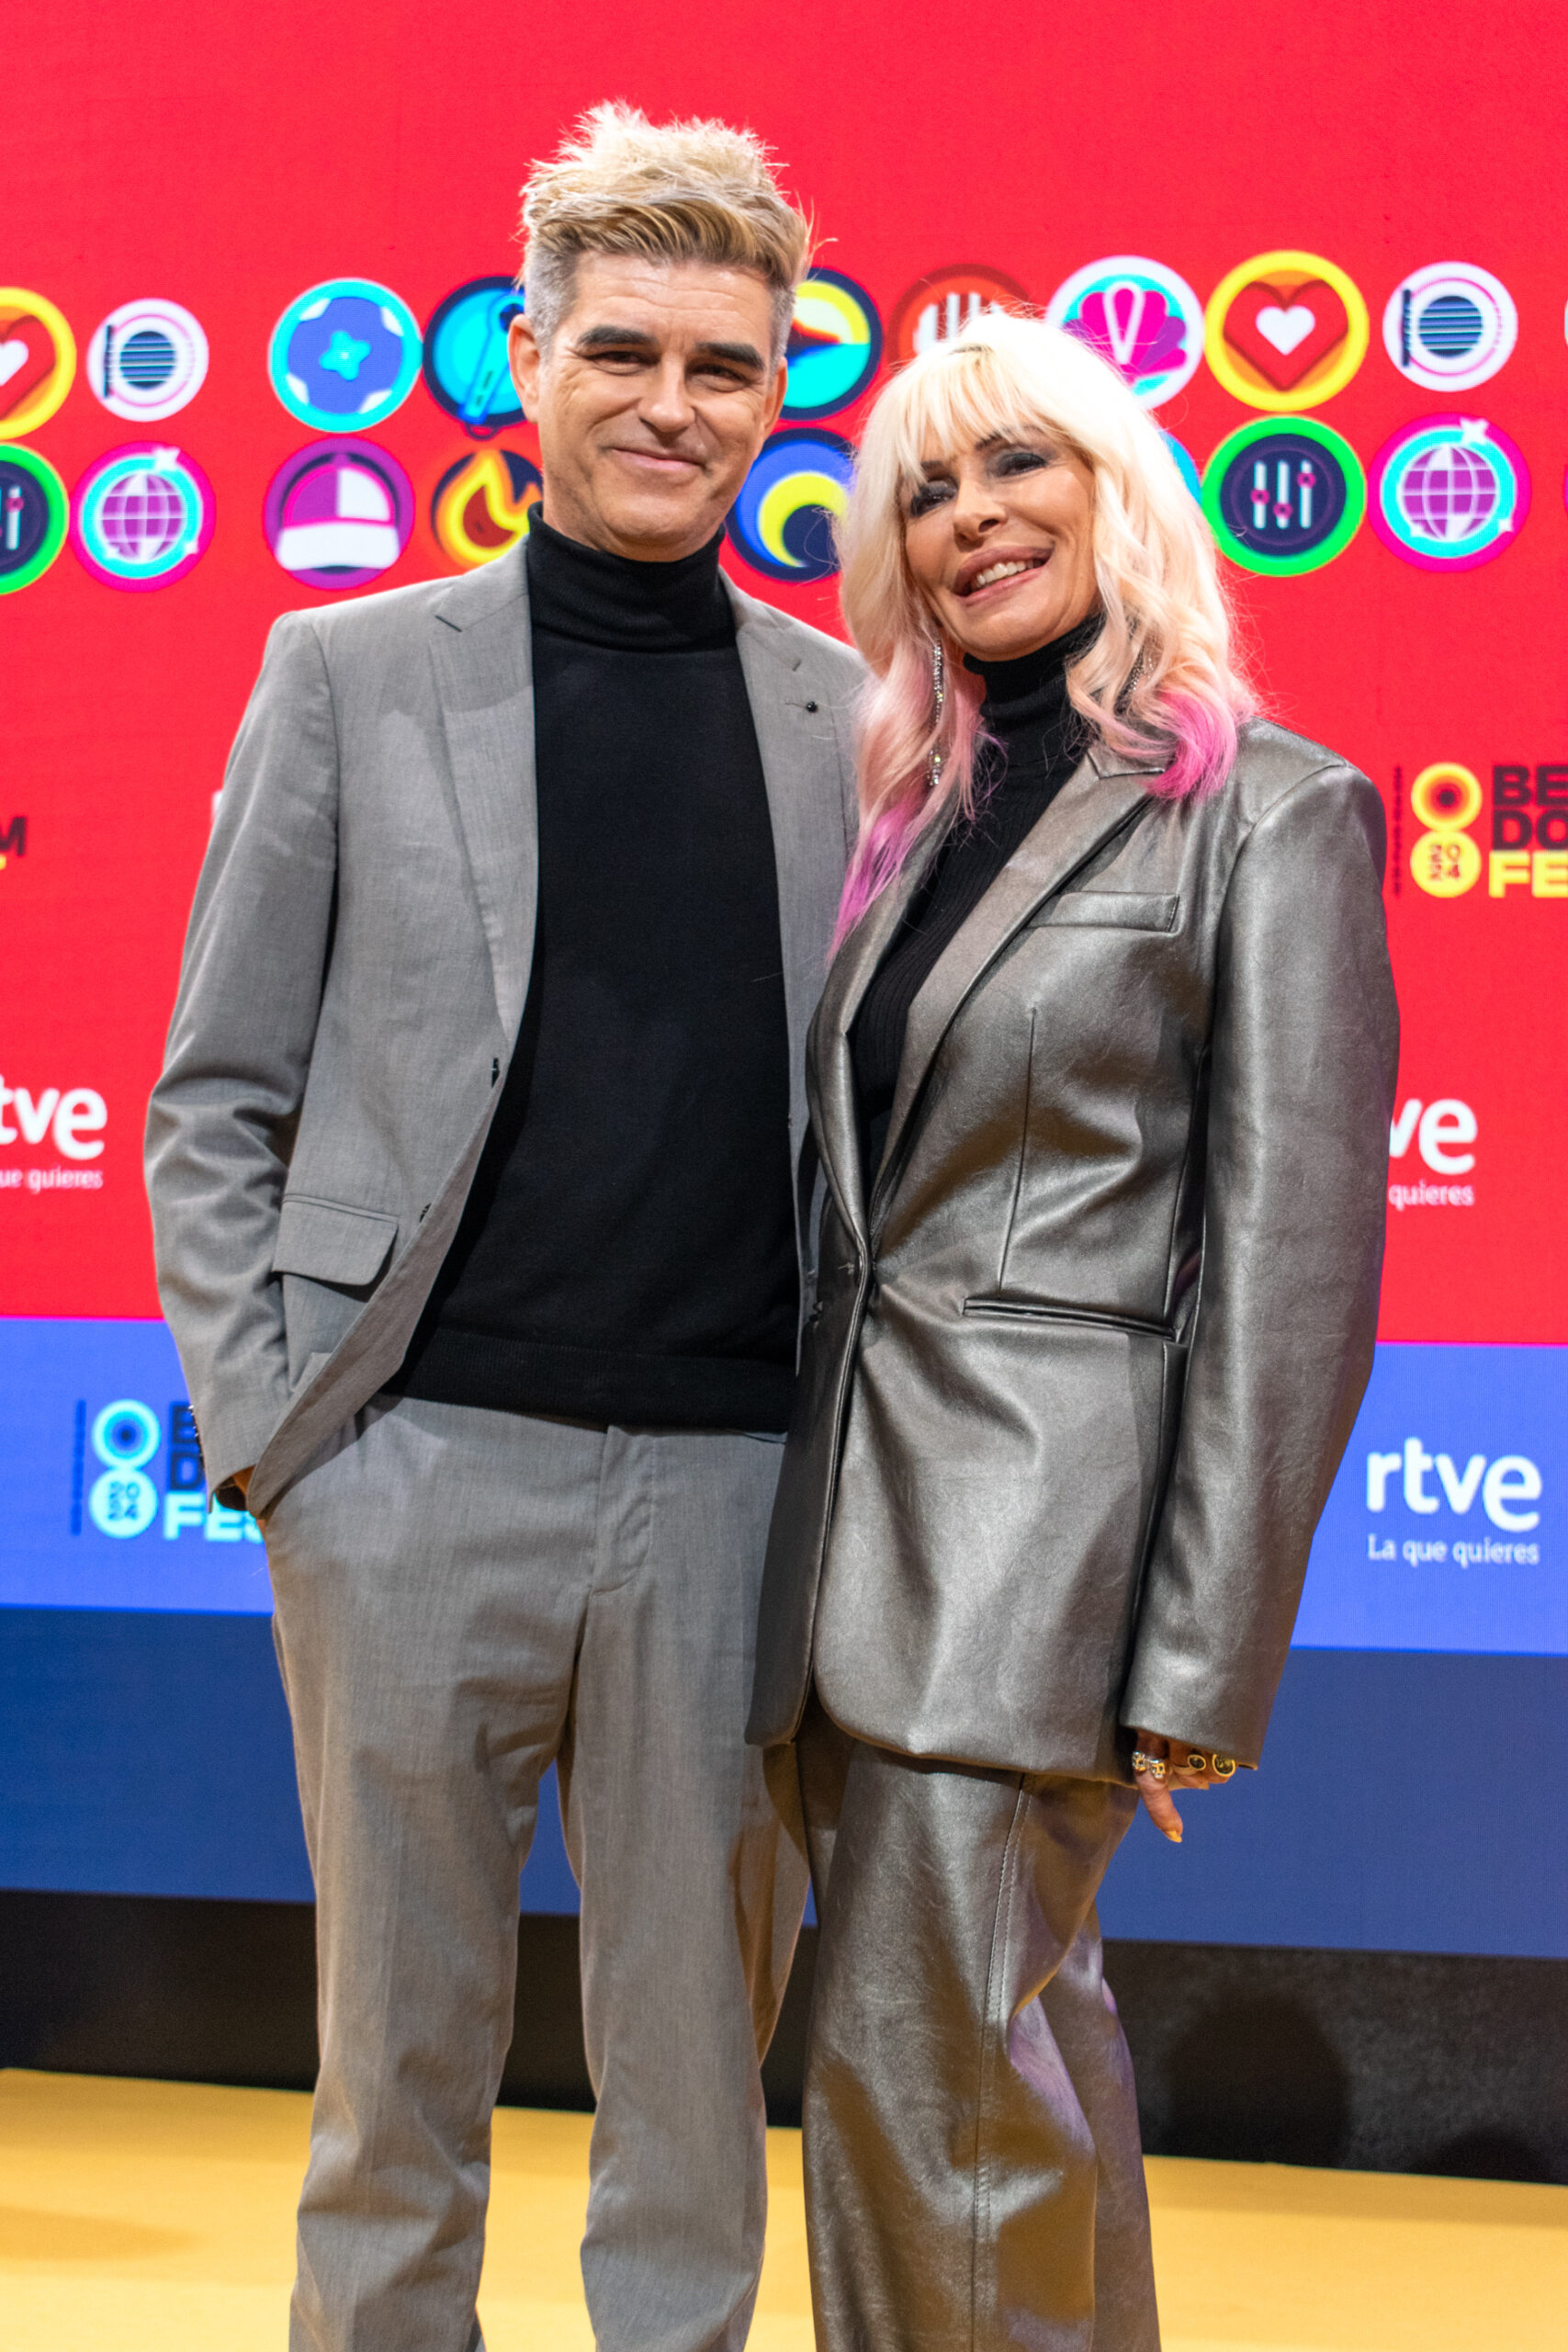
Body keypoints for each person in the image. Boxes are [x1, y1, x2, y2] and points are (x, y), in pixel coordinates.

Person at [146, 105, 862, 2352]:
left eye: (723, 365)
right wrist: (280, 1442)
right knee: (394, 2091)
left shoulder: (846, 715)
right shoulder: (347, 671)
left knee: (692, 2112)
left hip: (736, 1501)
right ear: (528, 359)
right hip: (410, 1475)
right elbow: (214, 1092)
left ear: (776, 389)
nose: (672, 403)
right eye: (622, 349)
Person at [749, 311, 1398, 2352]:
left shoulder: (1273, 810)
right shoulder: (908, 815)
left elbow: (1292, 1265)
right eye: (923, 492)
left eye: (1016, 463)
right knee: (1005, 2066)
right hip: (841, 1554)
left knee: (922, 2092)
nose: (969, 517)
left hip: (1036, 1562)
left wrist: (1200, 1650)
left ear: (1120, 488)